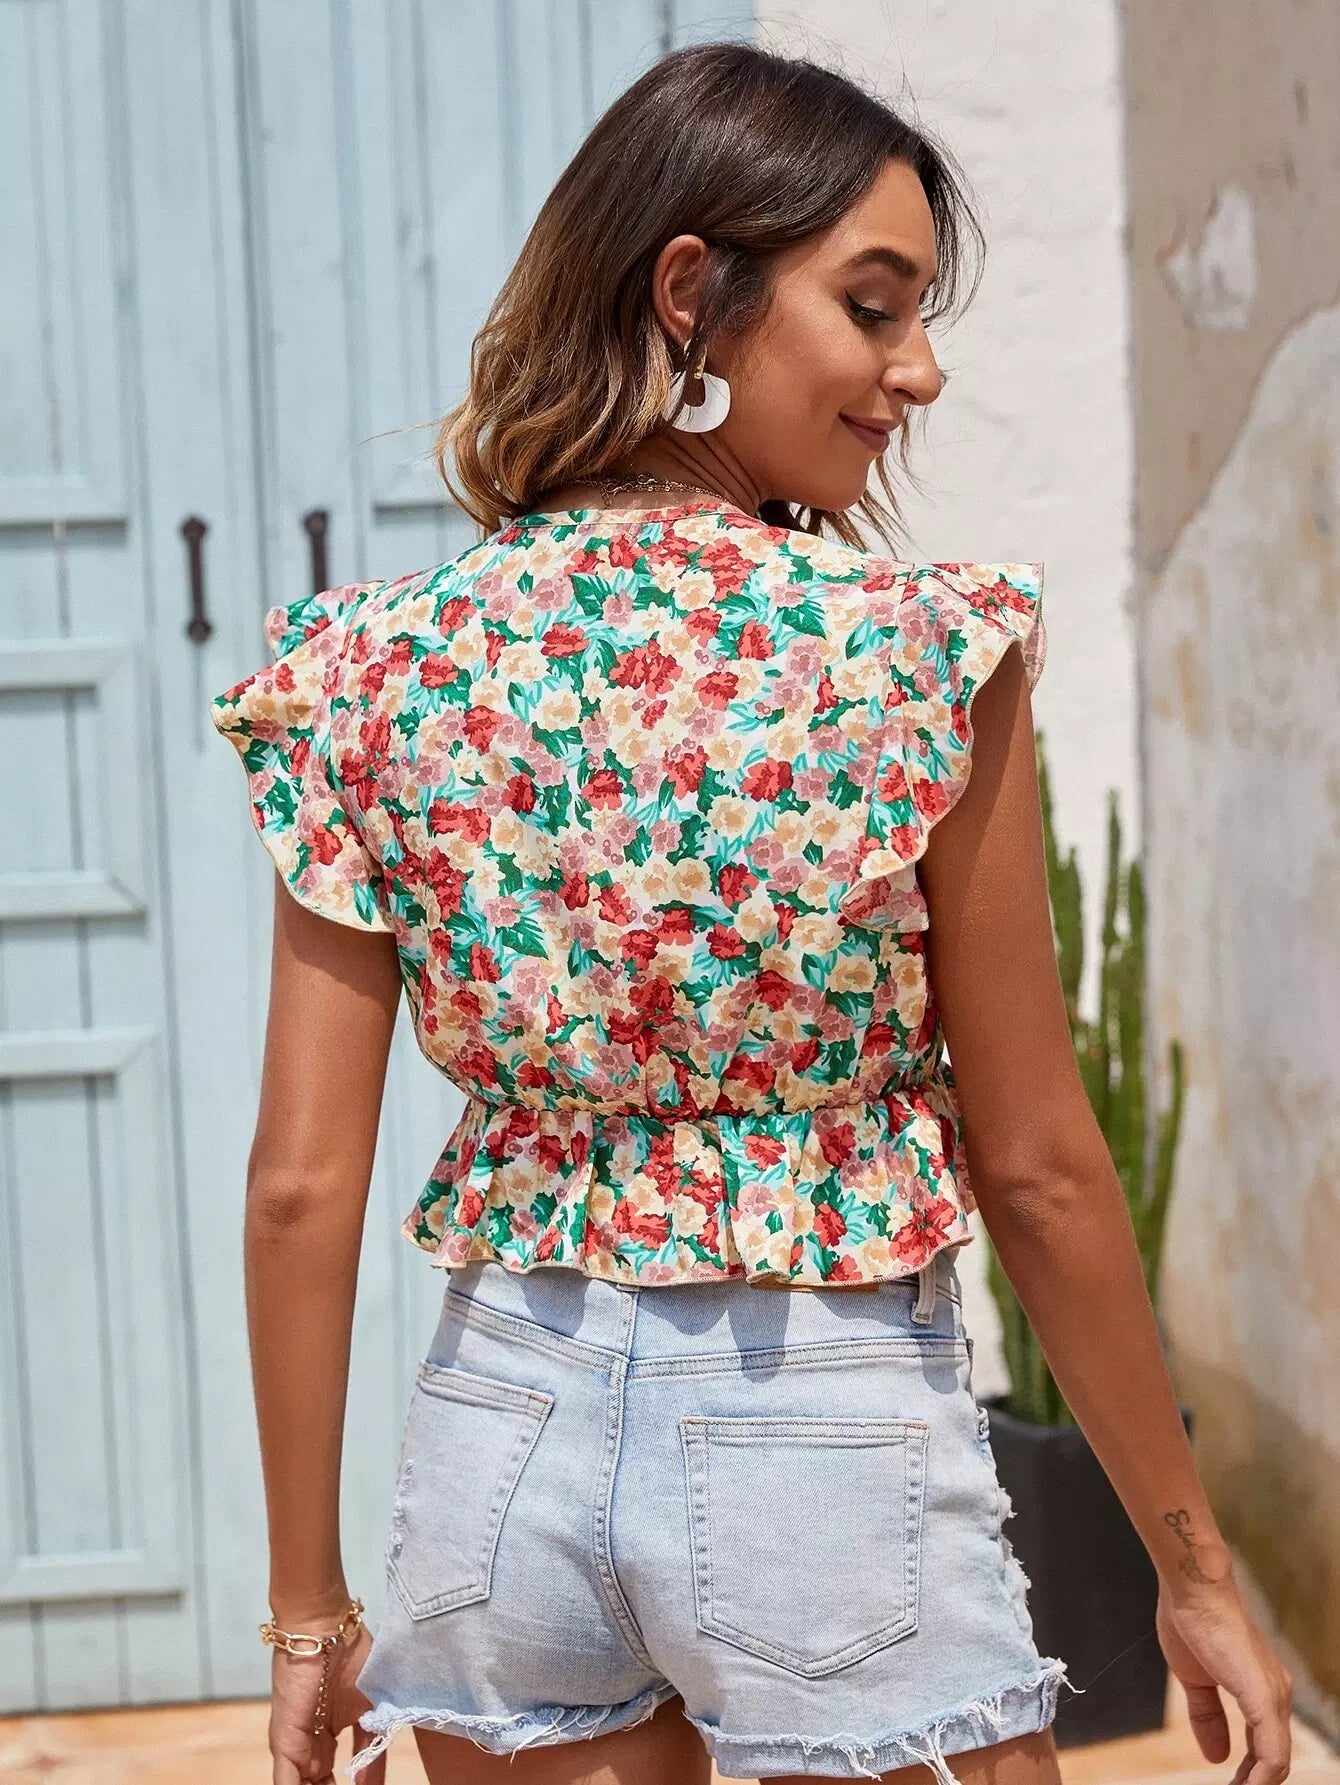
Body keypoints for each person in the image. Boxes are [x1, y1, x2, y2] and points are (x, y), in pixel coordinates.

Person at [211, 39, 1294, 1785]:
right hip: (823, 1433)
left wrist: (305, 1614)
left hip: (500, 1434)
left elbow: (297, 1185)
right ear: (689, 297)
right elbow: (1035, 1162)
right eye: (874, 308)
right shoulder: (912, 657)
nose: (920, 368)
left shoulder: (376, 666)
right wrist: (1190, 1563)